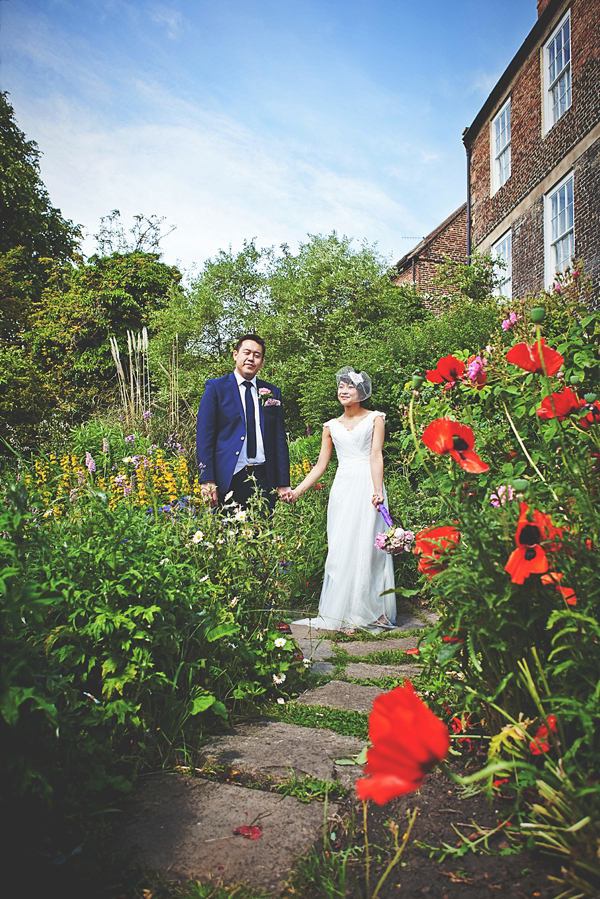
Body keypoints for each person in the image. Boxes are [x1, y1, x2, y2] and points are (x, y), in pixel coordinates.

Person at [291, 366, 395, 633]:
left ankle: (369, 611)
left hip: (367, 485)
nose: (344, 391)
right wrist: (297, 491)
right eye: (340, 387)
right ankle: (344, 611)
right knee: (341, 546)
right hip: (343, 487)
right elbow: (320, 466)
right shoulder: (330, 426)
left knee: (368, 547)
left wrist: (377, 491)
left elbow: (376, 455)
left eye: (349, 387)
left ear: (360, 392)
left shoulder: (375, 418)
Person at [196, 334, 293, 512]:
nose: (251, 358)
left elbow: (279, 441)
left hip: (264, 478)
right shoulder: (216, 388)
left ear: (262, 362)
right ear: (235, 355)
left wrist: (283, 483)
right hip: (229, 477)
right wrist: (207, 480)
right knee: (228, 535)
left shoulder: (271, 391)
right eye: (246, 353)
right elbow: (204, 437)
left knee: (263, 535)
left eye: (257, 355)